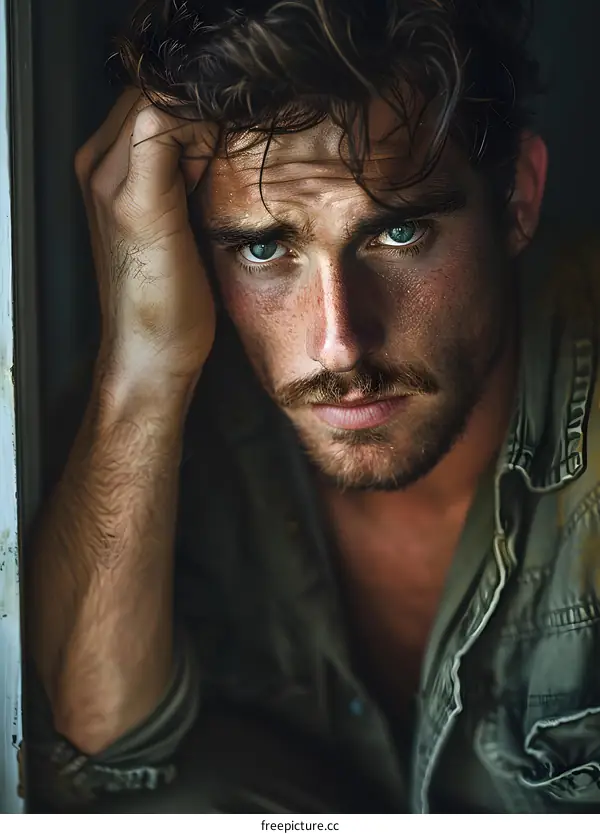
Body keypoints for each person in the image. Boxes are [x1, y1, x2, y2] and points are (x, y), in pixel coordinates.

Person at [24, 0, 600, 814]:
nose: (339, 346)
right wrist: (142, 365)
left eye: (397, 234)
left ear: (517, 198)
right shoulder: (186, 425)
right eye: (265, 248)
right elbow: (95, 754)